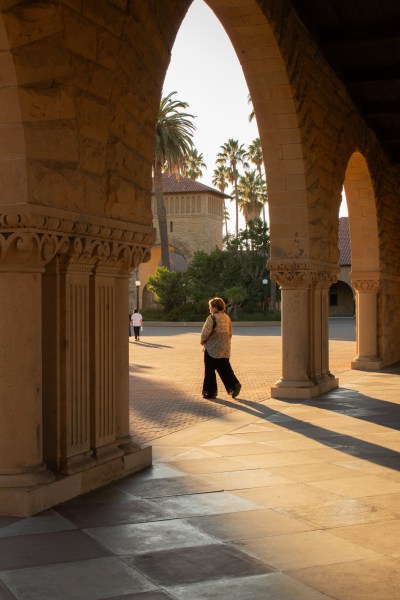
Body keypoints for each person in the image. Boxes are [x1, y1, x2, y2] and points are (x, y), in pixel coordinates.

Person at [200, 297, 241, 399]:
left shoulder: (211, 318)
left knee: (210, 371)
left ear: (214, 307)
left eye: (210, 306)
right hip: (225, 348)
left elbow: (205, 332)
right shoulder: (227, 317)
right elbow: (230, 333)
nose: (209, 308)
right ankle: (234, 385)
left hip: (212, 349)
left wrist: (202, 340)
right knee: (225, 368)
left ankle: (210, 392)